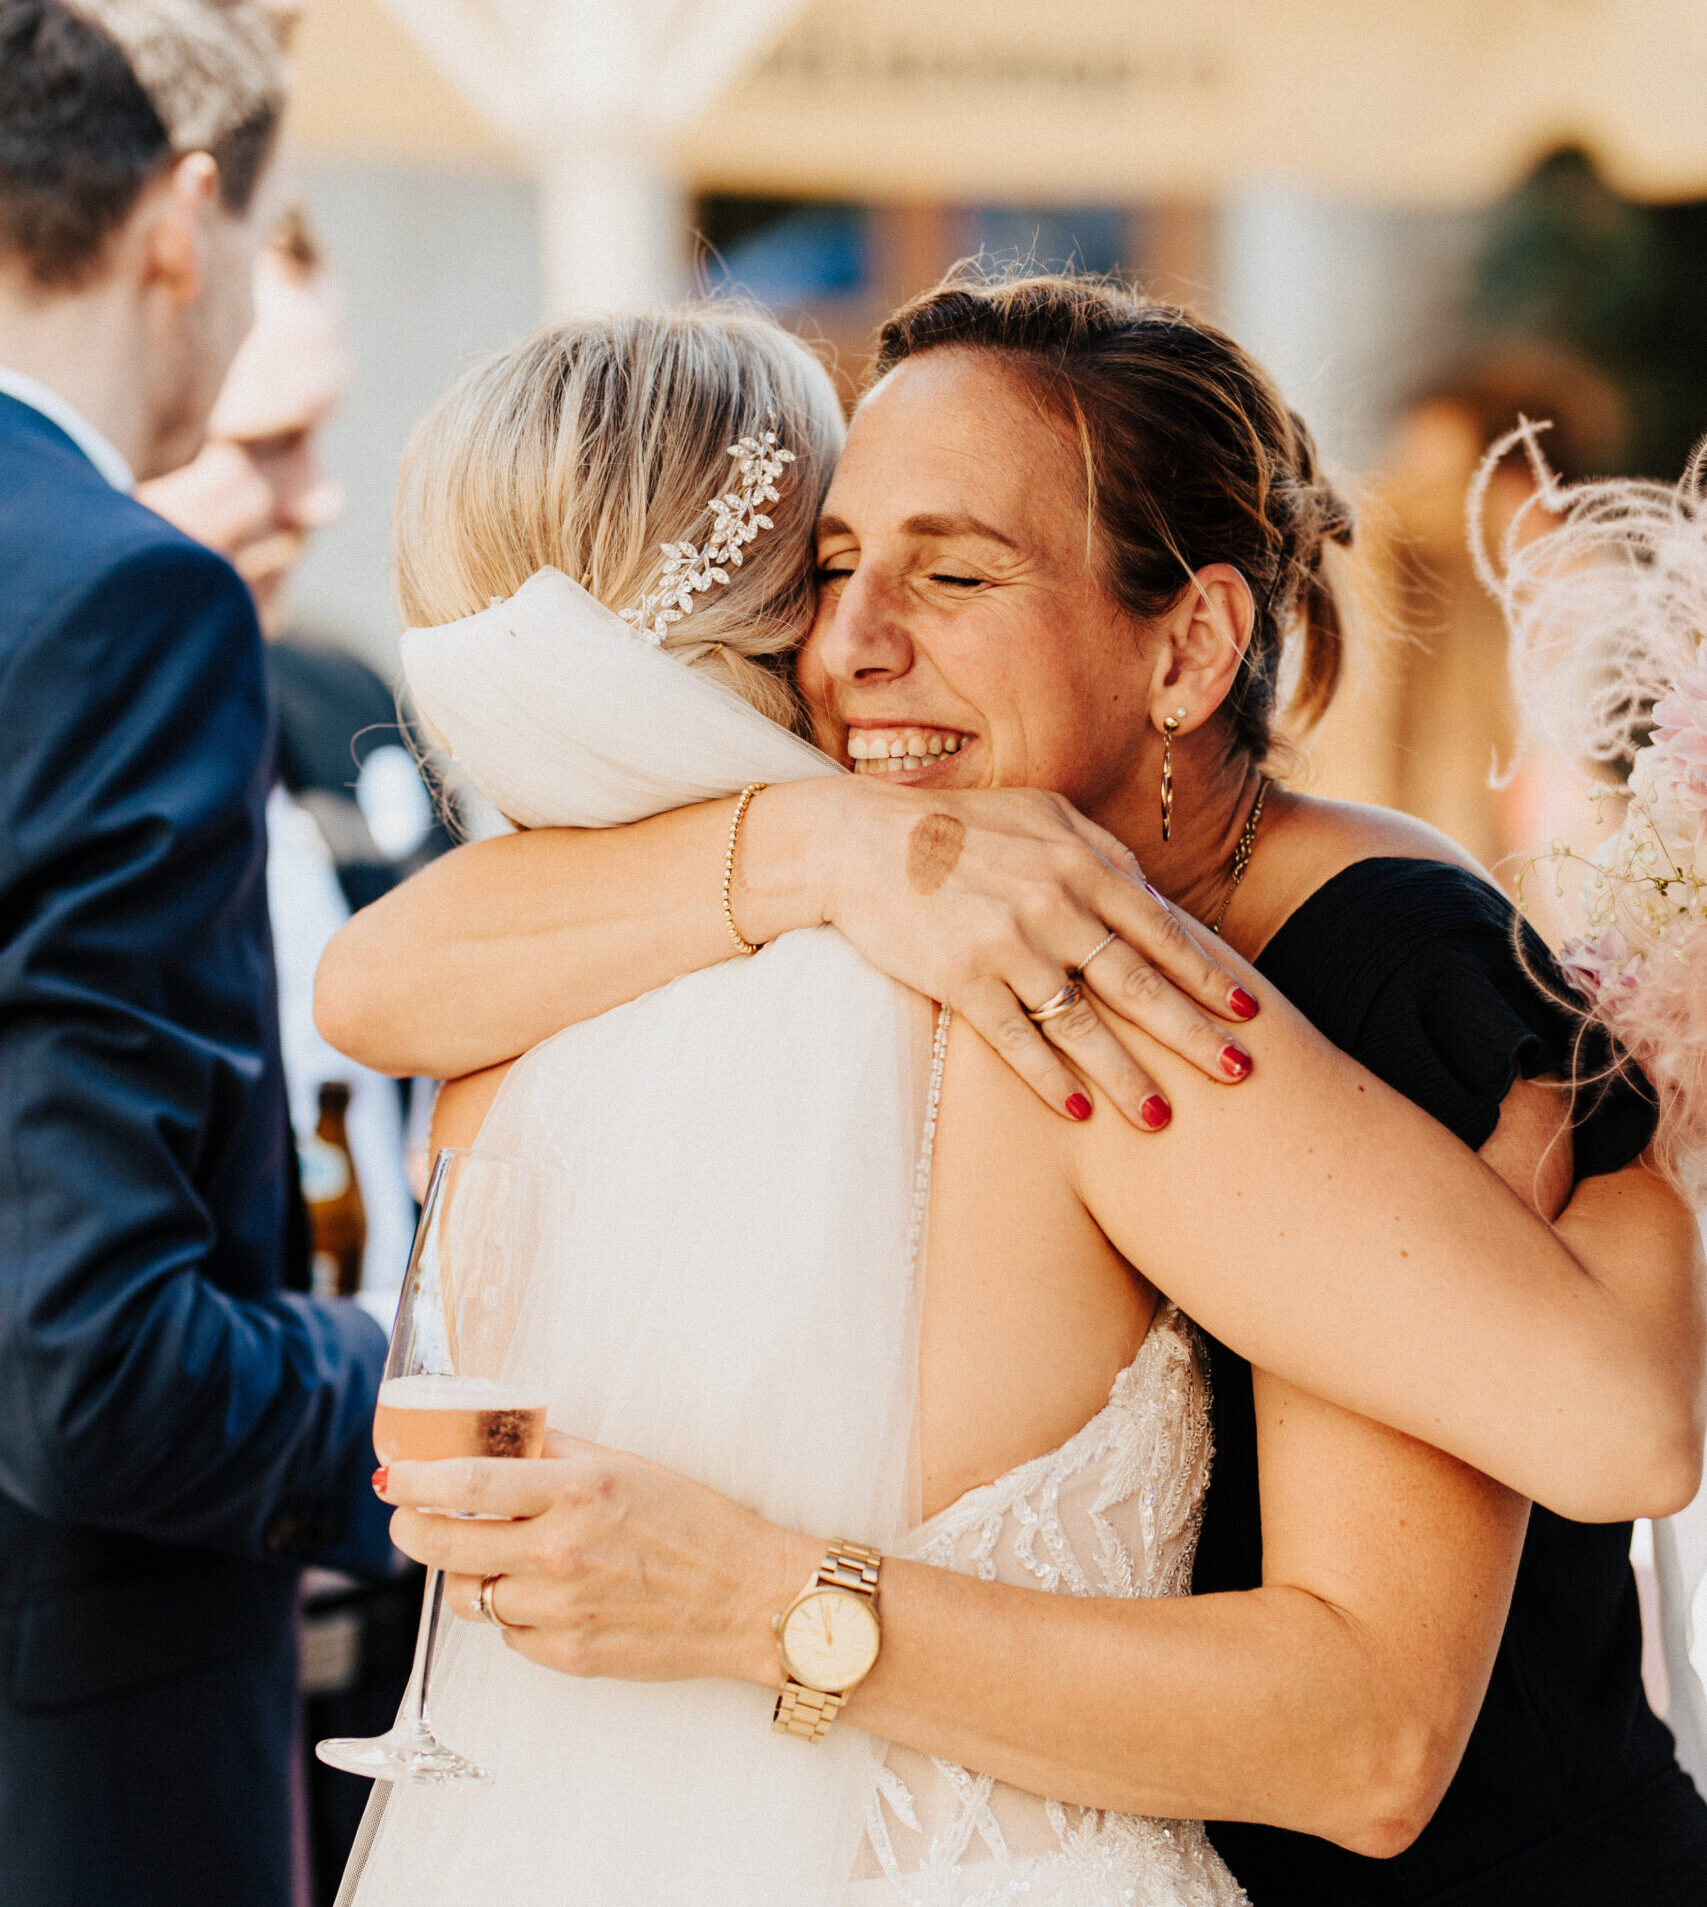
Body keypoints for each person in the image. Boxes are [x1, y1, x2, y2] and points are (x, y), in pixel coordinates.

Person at [319, 283, 1707, 1905]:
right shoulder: (913, 906)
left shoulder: (1325, 971)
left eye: (957, 573)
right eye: (828, 572)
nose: (853, 644)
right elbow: (370, 983)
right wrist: (827, 842)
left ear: (1188, 648)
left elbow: (1586, 1470)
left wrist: (757, 1601)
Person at [0, 8, 391, 1905]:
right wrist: (440, 1401)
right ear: (181, 222)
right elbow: (99, 1370)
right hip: (67, 1775)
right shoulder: (121, 598)